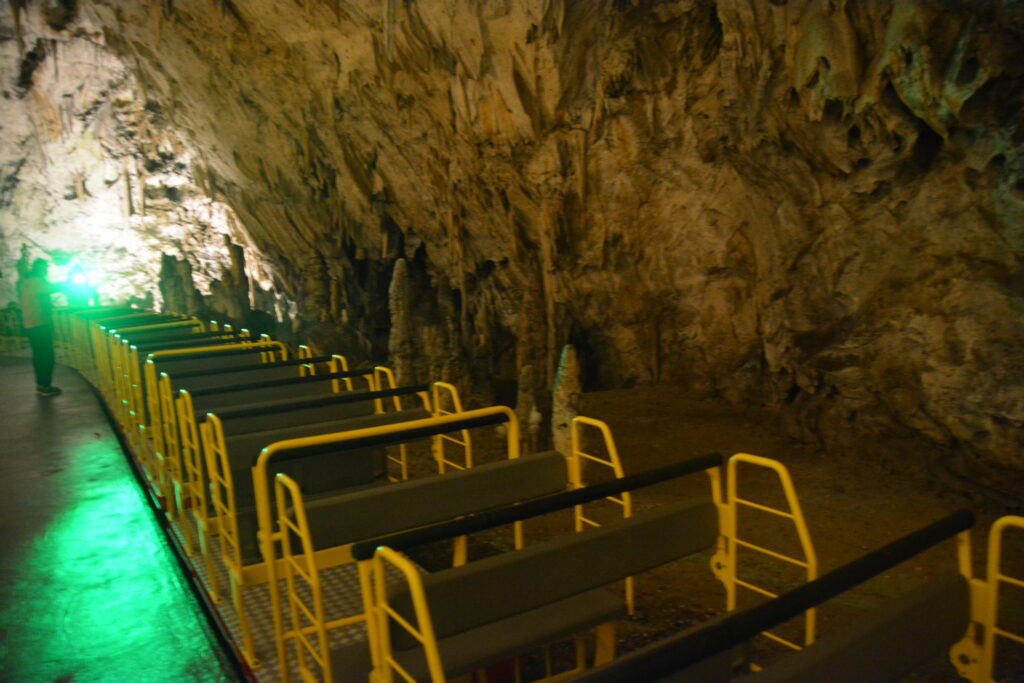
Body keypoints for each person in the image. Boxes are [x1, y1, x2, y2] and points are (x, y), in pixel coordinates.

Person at [19, 258, 61, 396]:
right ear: (38, 268)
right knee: (46, 356)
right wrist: (68, 284)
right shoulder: (35, 281)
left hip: (33, 324)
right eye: (44, 268)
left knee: (40, 356)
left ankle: (42, 385)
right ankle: (45, 386)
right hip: (39, 324)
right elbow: (50, 289)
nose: (46, 270)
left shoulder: (29, 281)